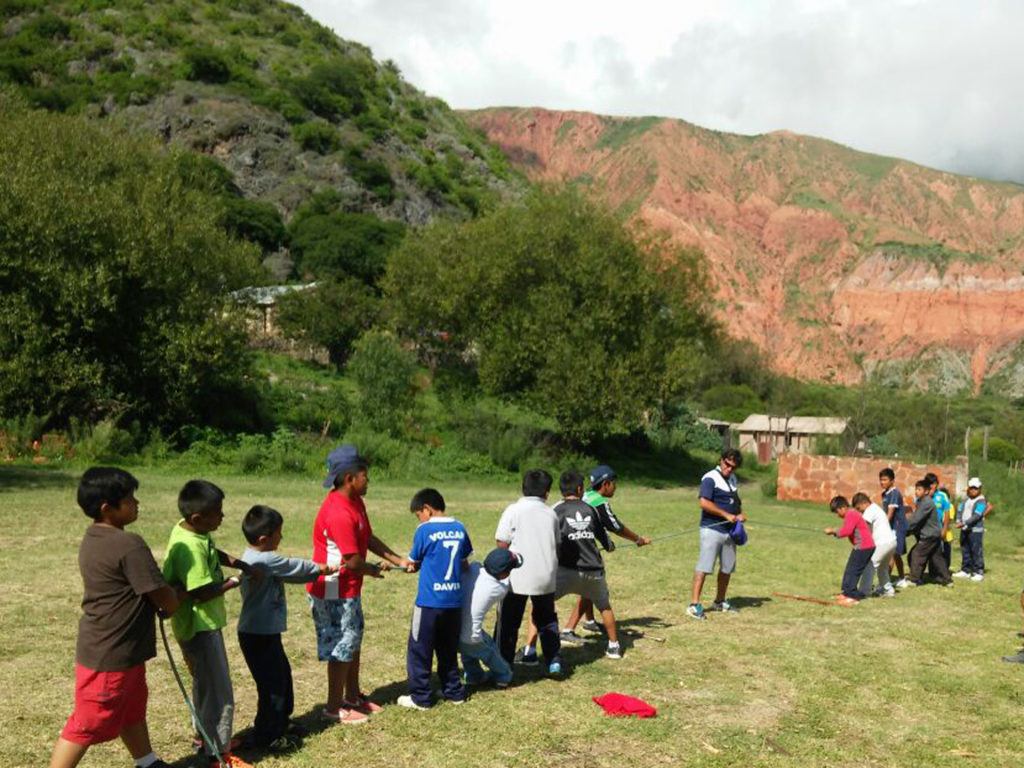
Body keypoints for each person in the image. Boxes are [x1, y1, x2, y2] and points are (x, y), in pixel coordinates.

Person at [49, 468, 182, 768]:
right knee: (88, 722)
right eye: (129, 499)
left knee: (131, 710)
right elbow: (160, 593)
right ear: (107, 508)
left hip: (124, 651)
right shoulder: (128, 544)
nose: (137, 503)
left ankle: (147, 762)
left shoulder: (94, 537)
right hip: (110, 654)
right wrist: (174, 603)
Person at [308, 444, 409, 724]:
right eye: (365, 475)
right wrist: (374, 570)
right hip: (333, 586)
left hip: (348, 586)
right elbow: (352, 561)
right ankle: (332, 706)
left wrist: (398, 559)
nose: (369, 480)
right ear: (351, 478)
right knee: (341, 643)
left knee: (353, 640)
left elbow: (367, 537)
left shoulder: (354, 502)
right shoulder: (339, 511)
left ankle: (352, 696)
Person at [162, 479, 257, 768]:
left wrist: (238, 563)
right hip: (200, 627)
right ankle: (218, 753)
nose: (223, 517)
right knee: (218, 691)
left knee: (205, 686)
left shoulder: (191, 532)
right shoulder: (188, 547)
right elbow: (203, 593)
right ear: (197, 518)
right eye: (218, 512)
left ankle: (204, 736)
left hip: (196, 626)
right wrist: (236, 580)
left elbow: (212, 553)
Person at [237, 505, 337, 751]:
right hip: (258, 634)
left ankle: (281, 722)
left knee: (282, 676)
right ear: (264, 539)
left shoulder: (255, 557)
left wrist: (317, 574)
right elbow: (297, 567)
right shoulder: (264, 559)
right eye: (279, 533)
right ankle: (268, 735)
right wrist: (322, 568)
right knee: (272, 685)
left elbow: (292, 575)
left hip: (264, 632)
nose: (282, 537)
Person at [525, 470, 623, 659]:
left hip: (564, 571)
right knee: (604, 606)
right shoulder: (590, 509)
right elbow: (606, 541)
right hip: (593, 571)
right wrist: (610, 546)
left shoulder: (555, 510)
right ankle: (614, 646)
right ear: (580, 489)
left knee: (540, 606)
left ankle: (530, 650)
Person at [398, 488, 473, 710]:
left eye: (418, 514)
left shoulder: (424, 530)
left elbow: (413, 561)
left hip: (429, 602)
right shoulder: (459, 528)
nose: (419, 519)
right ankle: (454, 691)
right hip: (453, 601)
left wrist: (413, 565)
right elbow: (464, 562)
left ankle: (420, 696)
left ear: (427, 510)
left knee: (419, 649)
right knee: (448, 648)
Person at [561, 464, 650, 641]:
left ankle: (590, 621)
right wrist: (638, 539)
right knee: (591, 585)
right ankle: (568, 629)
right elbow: (615, 526)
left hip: (573, 547)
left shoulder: (586, 495)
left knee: (587, 587)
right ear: (606, 484)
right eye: (614, 483)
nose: (615, 487)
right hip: (585, 553)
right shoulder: (599, 502)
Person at [494, 469, 563, 676]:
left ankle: (504, 663)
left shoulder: (513, 510)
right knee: (547, 619)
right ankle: (553, 660)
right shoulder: (551, 513)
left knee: (509, 621)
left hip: (518, 576)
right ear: (547, 492)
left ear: (523, 489)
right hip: (545, 576)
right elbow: (557, 545)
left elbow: (501, 542)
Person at [688, 448, 746, 620]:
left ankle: (719, 601)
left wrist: (739, 514)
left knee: (727, 568)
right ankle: (694, 604)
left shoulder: (733, 479)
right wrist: (726, 515)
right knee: (704, 567)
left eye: (733, 467)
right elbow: (704, 503)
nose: (729, 469)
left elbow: (736, 502)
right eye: (727, 465)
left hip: (730, 532)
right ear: (721, 461)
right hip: (711, 529)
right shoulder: (709, 478)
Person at [459, 549, 522, 688]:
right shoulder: (499, 589)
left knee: (467, 651)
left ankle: (474, 675)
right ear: (504, 573)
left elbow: (475, 566)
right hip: (471, 637)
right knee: (490, 652)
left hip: (453, 630)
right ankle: (503, 676)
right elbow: (505, 583)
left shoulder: (475, 567)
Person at [824, 495, 876, 604]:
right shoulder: (852, 514)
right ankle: (846, 592)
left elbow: (846, 531)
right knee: (849, 569)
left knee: (853, 571)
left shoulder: (851, 514)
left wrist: (833, 531)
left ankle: (852, 595)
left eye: (837, 511)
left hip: (864, 547)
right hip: (861, 546)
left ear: (843, 508)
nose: (838, 515)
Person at [904, 478, 953, 587]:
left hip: (929, 536)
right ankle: (947, 580)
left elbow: (916, 519)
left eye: (919, 489)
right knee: (937, 558)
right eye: (916, 489)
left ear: (926, 491)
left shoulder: (926, 503)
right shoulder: (922, 502)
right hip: (934, 534)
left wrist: (904, 528)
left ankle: (914, 579)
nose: (917, 491)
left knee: (916, 554)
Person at [852, 492, 897, 597]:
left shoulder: (869, 511)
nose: (859, 512)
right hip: (891, 542)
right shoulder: (876, 508)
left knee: (870, 566)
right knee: (882, 568)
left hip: (883, 543)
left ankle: (864, 591)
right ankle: (888, 590)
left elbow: (864, 528)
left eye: (859, 508)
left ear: (864, 503)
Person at [953, 477, 989, 582]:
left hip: (975, 530)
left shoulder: (981, 501)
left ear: (980, 489)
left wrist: (963, 523)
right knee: (965, 550)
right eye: (971, 488)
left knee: (976, 551)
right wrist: (958, 519)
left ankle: (978, 571)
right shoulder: (966, 499)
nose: (973, 490)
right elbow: (960, 509)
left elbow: (977, 516)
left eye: (976, 488)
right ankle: (966, 570)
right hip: (964, 529)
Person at [879, 468, 909, 587]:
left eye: (885, 479)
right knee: (893, 553)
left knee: (893, 553)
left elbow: (890, 514)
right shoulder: (885, 494)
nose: (882, 482)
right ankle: (898, 578)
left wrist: (881, 526)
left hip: (897, 527)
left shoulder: (894, 493)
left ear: (892, 480)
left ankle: (889, 581)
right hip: (890, 527)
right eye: (881, 480)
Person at [927, 473, 954, 571]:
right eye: (929, 483)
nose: (932, 486)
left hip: (939, 528)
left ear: (937, 484)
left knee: (940, 551)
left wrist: (944, 529)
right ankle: (931, 572)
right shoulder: (924, 495)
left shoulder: (942, 496)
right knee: (928, 552)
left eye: (933, 483)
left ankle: (942, 572)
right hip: (927, 529)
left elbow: (947, 513)